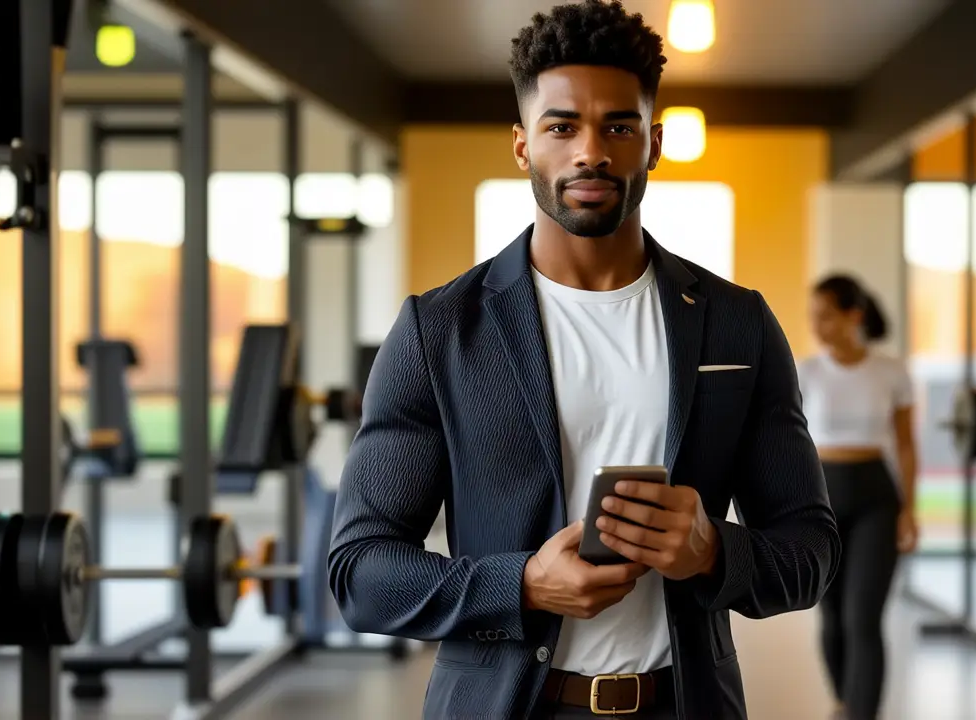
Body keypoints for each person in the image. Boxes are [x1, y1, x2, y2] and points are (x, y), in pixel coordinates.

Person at [326, 2, 839, 719]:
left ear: (653, 142)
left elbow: (810, 552)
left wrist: (713, 551)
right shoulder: (438, 330)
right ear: (522, 146)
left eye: (619, 126)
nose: (590, 151)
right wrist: (521, 585)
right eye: (561, 126)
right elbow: (361, 571)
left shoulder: (735, 325)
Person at [799, 275, 918, 720]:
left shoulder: (891, 371)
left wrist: (910, 509)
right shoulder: (806, 371)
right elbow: (790, 445)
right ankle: (845, 704)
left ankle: (861, 713)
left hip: (875, 497)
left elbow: (906, 445)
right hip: (820, 496)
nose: (817, 325)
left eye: (826, 315)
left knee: (862, 618)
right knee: (831, 618)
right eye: (814, 316)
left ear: (855, 315)